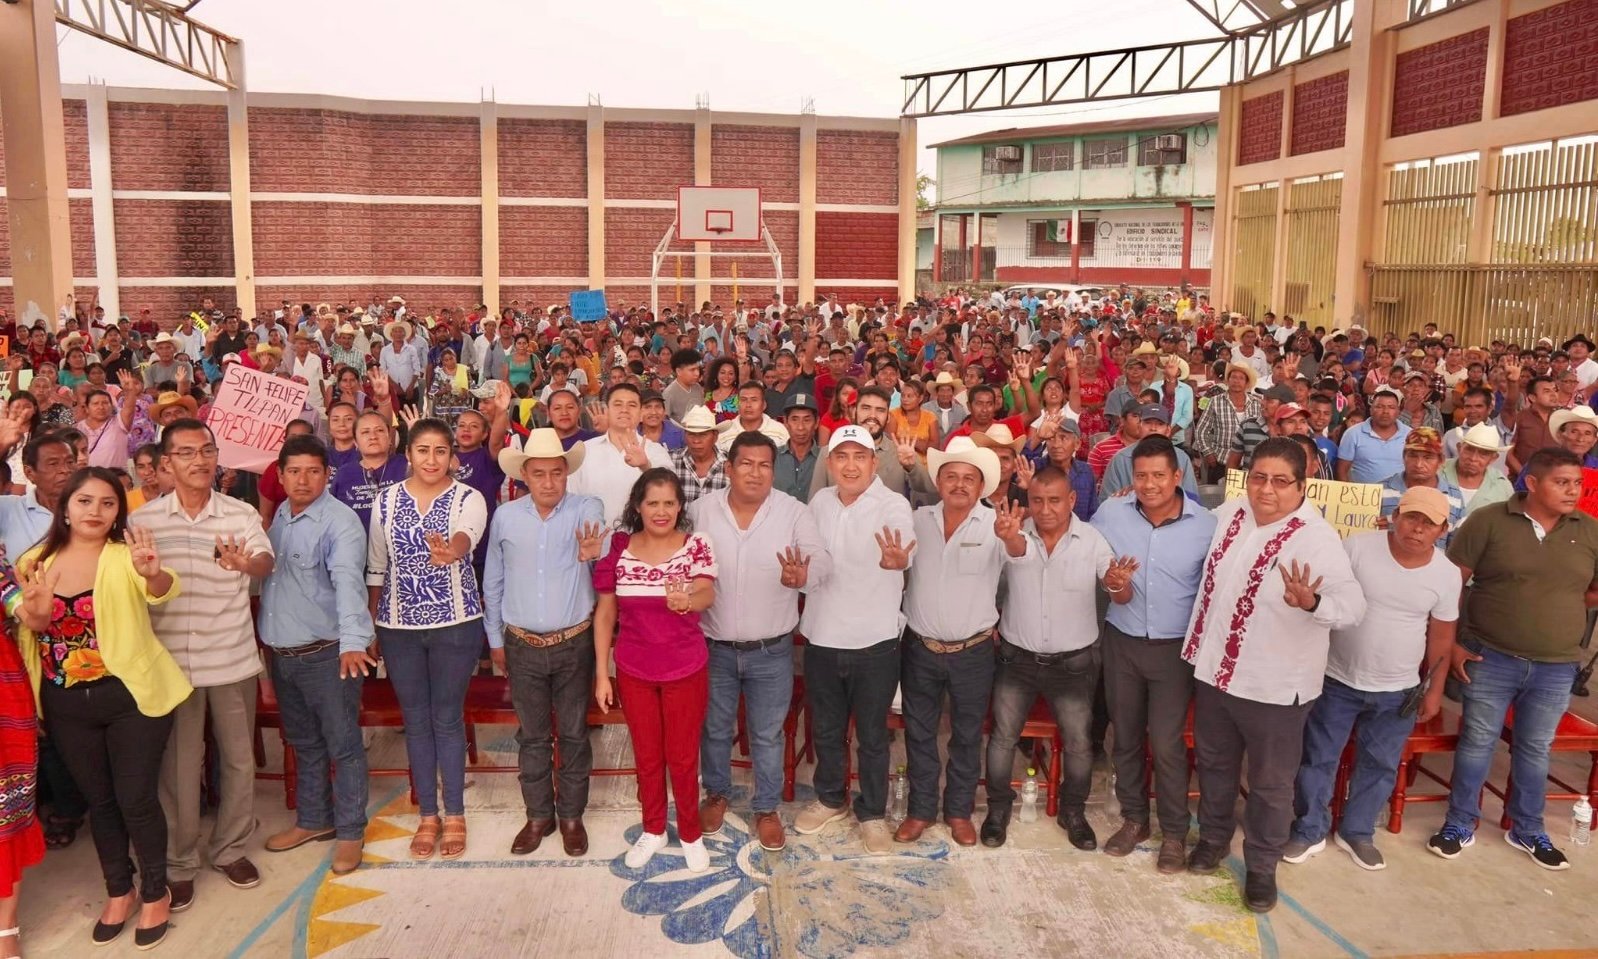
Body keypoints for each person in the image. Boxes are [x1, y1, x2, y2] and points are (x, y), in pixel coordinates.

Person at [1181, 437, 1364, 913]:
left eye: (1281, 481)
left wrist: (1313, 602)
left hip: (1275, 686)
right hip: (1216, 672)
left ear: (1302, 486)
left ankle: (1262, 867)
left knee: (1269, 785)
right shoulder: (1231, 514)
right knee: (1216, 766)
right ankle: (1214, 840)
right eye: (1259, 477)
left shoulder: (1316, 537)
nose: (1267, 489)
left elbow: (1353, 607)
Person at [20, 468, 188, 949]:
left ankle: (156, 892)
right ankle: (120, 889)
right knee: (101, 801)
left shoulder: (125, 556)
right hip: (65, 700)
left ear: (119, 511)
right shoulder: (35, 560)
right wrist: (36, 608)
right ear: (66, 507)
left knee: (136, 798)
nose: (95, 511)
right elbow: (31, 624)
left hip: (132, 696)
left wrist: (153, 572)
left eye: (108, 503)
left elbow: (162, 590)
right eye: (85, 501)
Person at [1429, 447, 1598, 871]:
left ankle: (1527, 828)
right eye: (1562, 482)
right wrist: (1453, 645)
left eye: (1577, 483)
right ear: (1533, 483)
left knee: (1535, 748)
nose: (1573, 491)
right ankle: (1459, 823)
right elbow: (1452, 583)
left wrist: (1554, 606)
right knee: (1477, 743)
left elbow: (1592, 591)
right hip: (1491, 657)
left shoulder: (1589, 530)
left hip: (1556, 664)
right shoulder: (1489, 521)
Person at [134, 420, 275, 911]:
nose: (199, 460)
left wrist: (246, 565)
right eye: (187, 452)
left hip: (231, 656)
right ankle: (180, 863)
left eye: (207, 451)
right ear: (166, 463)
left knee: (238, 760)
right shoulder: (145, 520)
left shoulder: (239, 512)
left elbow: (264, 561)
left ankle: (232, 848)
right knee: (179, 765)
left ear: (218, 458)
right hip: (171, 664)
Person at [1284, 487, 1459, 872]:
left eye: (1429, 523)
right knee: (1318, 758)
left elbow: (1442, 636)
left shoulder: (1446, 575)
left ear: (1443, 529)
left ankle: (1357, 831)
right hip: (1336, 677)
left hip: (1398, 688)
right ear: (1395, 516)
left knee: (1379, 763)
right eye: (1412, 517)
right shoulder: (1357, 548)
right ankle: (1310, 828)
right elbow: (1325, 601)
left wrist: (1434, 690)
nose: (1417, 528)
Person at [690, 433, 829, 853]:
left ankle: (766, 808)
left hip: (772, 650)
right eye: (745, 463)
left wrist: (802, 576)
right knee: (714, 729)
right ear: (728, 468)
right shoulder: (700, 511)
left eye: (764, 465)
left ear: (774, 470)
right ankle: (717, 794)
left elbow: (821, 559)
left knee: (767, 734)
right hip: (713, 646)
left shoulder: (793, 512)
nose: (755, 472)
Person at [981, 468, 1129, 850]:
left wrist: (1117, 584)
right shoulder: (1015, 533)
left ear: (1072, 501)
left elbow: (1116, 590)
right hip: (1018, 660)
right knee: (1002, 739)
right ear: (1029, 501)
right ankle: (997, 810)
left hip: (1074, 665)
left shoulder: (1092, 540)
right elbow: (1016, 551)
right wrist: (1012, 536)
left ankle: (1073, 811)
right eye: (1038, 501)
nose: (1045, 509)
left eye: (1055, 500)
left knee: (1079, 744)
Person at [1092, 436, 1219, 872]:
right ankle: (1134, 820)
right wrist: (1112, 580)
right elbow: (1095, 564)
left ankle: (1175, 833)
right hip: (1122, 640)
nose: (1148, 485)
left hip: (1174, 650)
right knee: (1124, 736)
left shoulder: (1207, 525)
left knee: (1166, 744)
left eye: (1158, 475)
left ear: (1178, 476)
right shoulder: (1111, 512)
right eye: (1141, 475)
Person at [366, 418, 488, 862]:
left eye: (440, 451)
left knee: (447, 718)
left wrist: (452, 551)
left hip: (455, 623)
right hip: (399, 628)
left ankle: (455, 813)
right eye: (423, 451)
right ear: (409, 455)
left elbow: (466, 536)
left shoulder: (468, 498)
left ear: (451, 455)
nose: (431, 459)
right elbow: (377, 568)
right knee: (415, 721)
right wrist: (373, 623)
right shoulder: (385, 502)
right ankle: (428, 816)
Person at [257, 435, 374, 878]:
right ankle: (313, 820)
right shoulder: (279, 519)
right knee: (303, 743)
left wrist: (352, 643)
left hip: (328, 654)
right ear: (281, 476)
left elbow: (349, 584)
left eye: (313, 471)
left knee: (343, 746)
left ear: (328, 474)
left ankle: (349, 832)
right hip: (282, 652)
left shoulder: (340, 522)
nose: (303, 480)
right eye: (294, 471)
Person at [795, 425, 915, 854]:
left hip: (874, 641)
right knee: (826, 730)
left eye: (858, 456)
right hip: (823, 635)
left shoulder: (893, 504)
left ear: (874, 462)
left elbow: (905, 545)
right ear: (830, 464)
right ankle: (831, 799)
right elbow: (807, 558)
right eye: (841, 457)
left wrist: (899, 558)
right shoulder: (820, 503)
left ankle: (872, 813)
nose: (849, 465)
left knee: (872, 735)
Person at [485, 429, 604, 858]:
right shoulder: (506, 517)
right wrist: (494, 637)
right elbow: (493, 580)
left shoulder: (582, 510)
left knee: (573, 734)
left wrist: (596, 542)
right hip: (520, 645)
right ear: (525, 477)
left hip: (574, 643)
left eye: (557, 473)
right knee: (532, 736)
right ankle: (538, 816)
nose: (550, 481)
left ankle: (572, 816)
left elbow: (597, 516)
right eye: (540, 474)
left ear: (567, 475)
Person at [592, 469, 717, 873]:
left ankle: (691, 834)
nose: (661, 511)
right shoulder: (621, 549)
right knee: (647, 755)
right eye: (652, 503)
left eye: (668, 503)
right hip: (634, 668)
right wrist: (601, 672)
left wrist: (687, 602)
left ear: (680, 506)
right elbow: (606, 612)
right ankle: (653, 828)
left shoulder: (696, 545)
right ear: (638, 507)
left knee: (682, 756)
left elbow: (706, 593)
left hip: (685, 667)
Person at [895, 438, 1008, 847]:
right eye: (951, 476)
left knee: (966, 734)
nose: (959, 484)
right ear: (938, 481)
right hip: (921, 647)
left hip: (973, 652)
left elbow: (1019, 553)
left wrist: (1012, 538)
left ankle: (959, 810)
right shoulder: (917, 519)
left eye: (969, 479)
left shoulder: (997, 524)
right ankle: (922, 809)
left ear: (981, 487)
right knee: (919, 732)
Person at [808, 386, 936, 502]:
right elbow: (815, 503)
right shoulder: (829, 451)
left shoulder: (899, 452)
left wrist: (911, 467)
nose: (872, 416)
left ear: (888, 417)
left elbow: (929, 488)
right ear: (854, 412)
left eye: (880, 410)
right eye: (866, 408)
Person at [569, 383, 672, 525]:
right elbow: (571, 502)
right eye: (617, 404)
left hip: (642, 542)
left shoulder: (655, 451)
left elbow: (670, 495)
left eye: (632, 405)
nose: (624, 410)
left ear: (641, 413)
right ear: (607, 410)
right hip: (595, 541)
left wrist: (646, 467)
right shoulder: (584, 451)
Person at [1377, 428, 1464, 540]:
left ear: (1441, 460)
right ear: (1404, 457)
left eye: (1428, 458)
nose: (1419, 464)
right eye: (1413, 456)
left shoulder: (1455, 497)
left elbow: (1456, 544)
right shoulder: (1379, 491)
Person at [1337, 388, 1412, 483]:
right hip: (1363, 495)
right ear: (1371, 410)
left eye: (1391, 407)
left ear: (1398, 411)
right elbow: (1341, 471)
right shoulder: (1353, 434)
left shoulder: (1410, 435)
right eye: (1379, 406)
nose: (1385, 411)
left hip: (1400, 495)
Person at [1441, 422, 1514, 517]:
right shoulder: (1437, 470)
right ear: (1459, 448)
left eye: (1483, 454)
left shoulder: (1502, 486)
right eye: (1469, 450)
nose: (1473, 458)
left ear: (1493, 458)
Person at [670, 406, 728, 505]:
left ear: (715, 437)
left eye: (703, 434)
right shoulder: (671, 461)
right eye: (691, 434)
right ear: (684, 435)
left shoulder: (730, 463)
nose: (696, 441)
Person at [774, 393, 822, 503]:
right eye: (794, 420)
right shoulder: (772, 456)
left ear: (816, 422)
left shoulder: (825, 458)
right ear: (786, 422)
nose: (800, 427)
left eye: (807, 420)